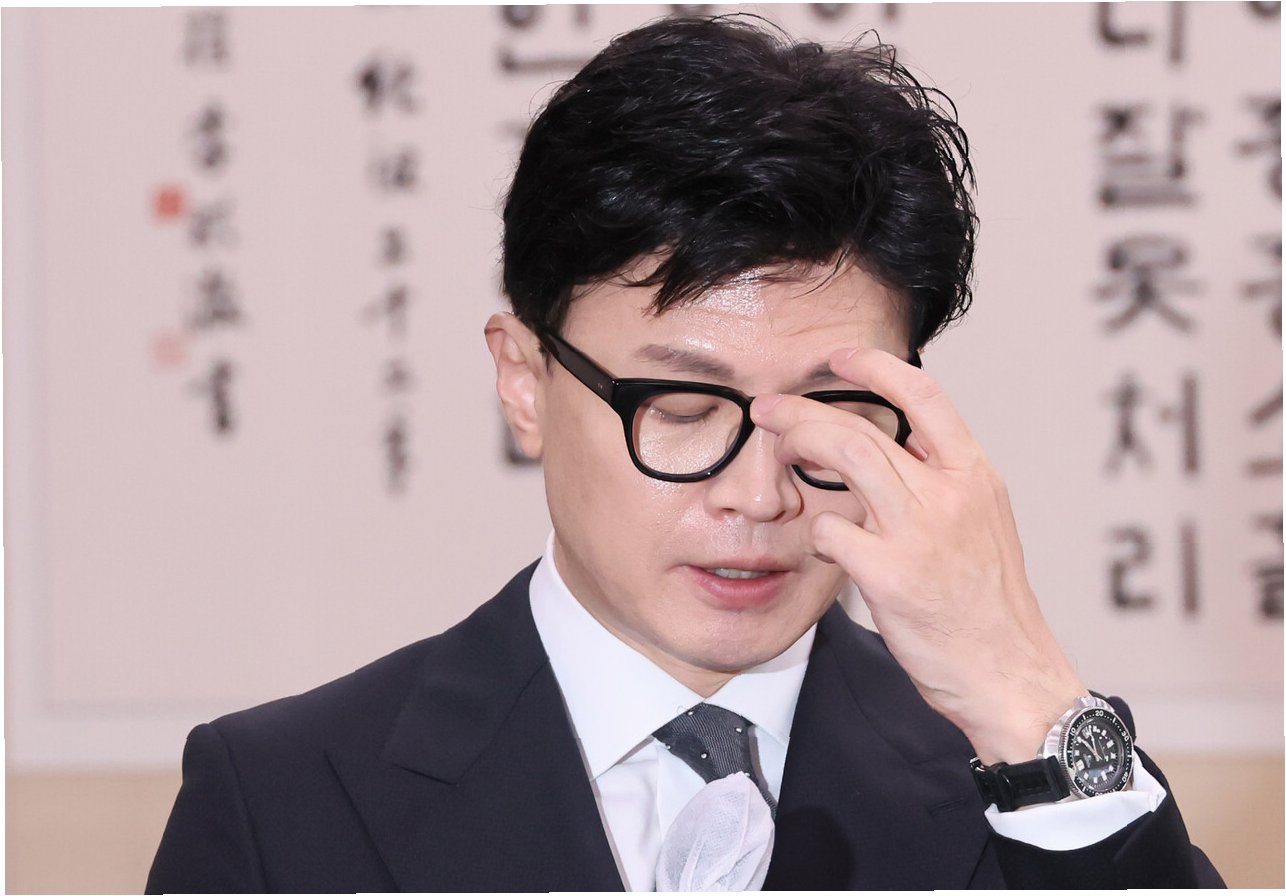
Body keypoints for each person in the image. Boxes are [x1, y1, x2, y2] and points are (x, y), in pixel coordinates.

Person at [147, 15, 1223, 892]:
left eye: (830, 412)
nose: (759, 495)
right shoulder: (283, 795)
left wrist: (1024, 692)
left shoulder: (1027, 783)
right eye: (682, 405)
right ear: (524, 381)